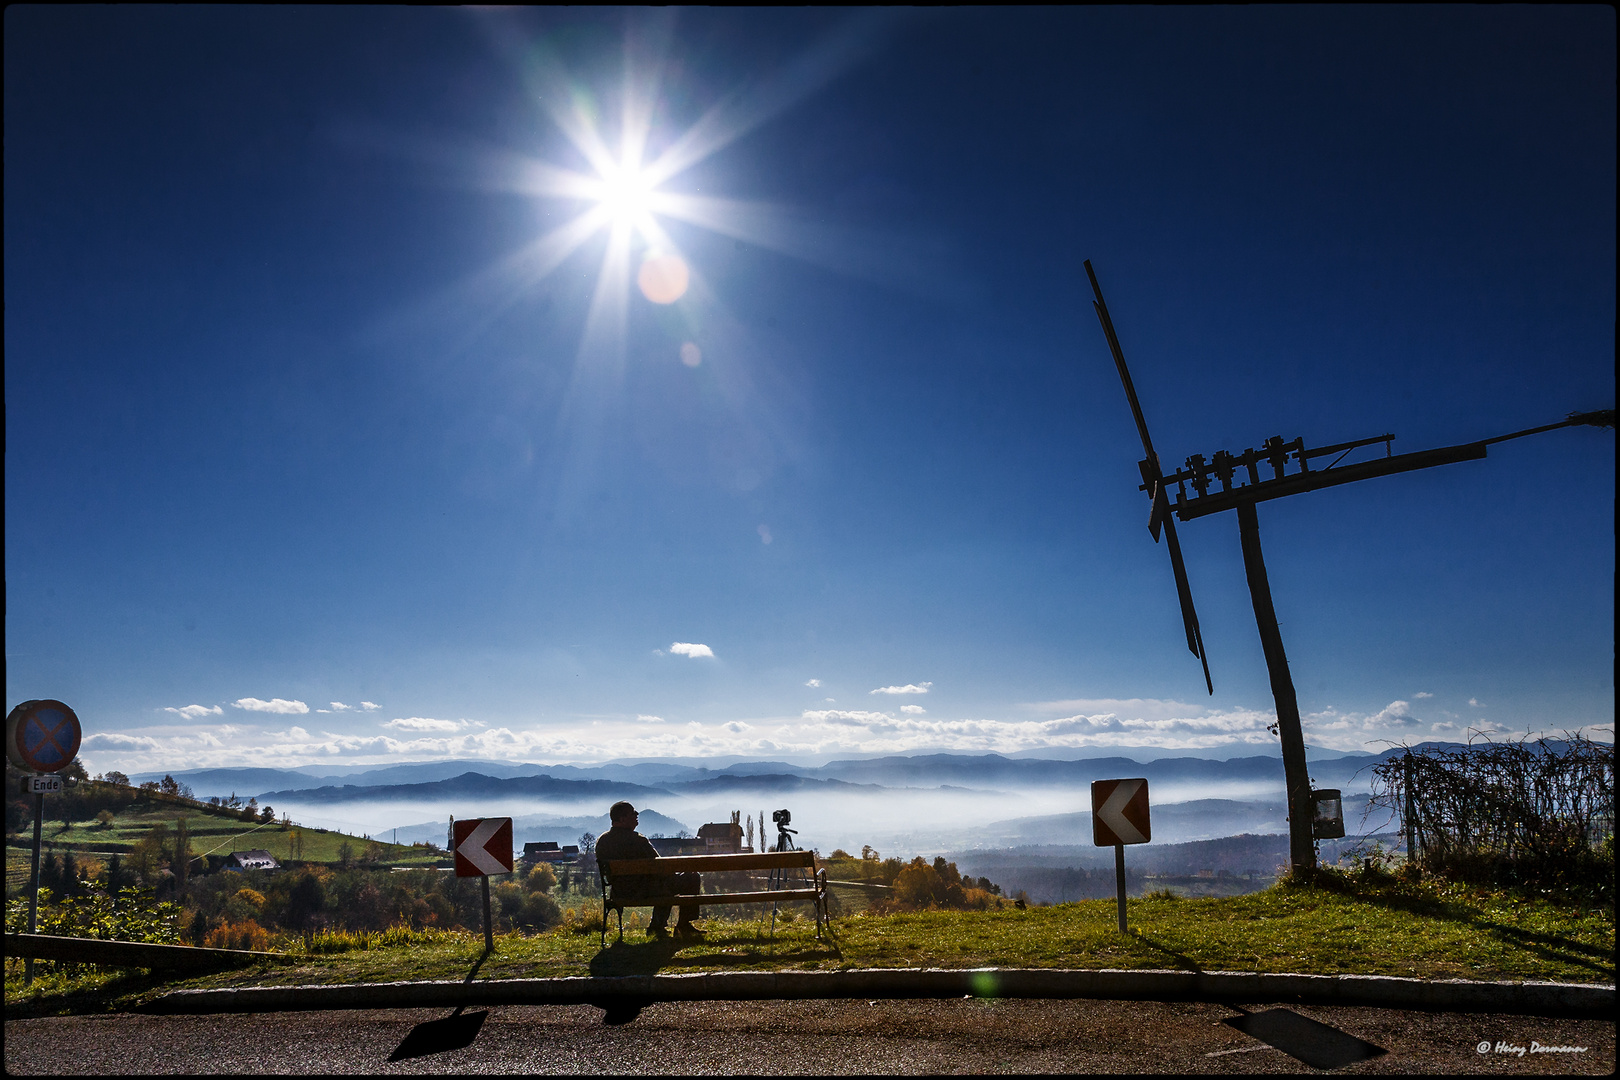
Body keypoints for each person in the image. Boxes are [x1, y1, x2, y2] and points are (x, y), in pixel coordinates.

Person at [595, 801, 702, 938]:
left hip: (619, 892)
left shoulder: (602, 841)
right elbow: (660, 866)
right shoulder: (638, 841)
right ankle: (681, 925)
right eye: (633, 813)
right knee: (691, 877)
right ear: (622, 819)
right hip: (646, 890)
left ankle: (658, 927)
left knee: (664, 885)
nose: (637, 815)